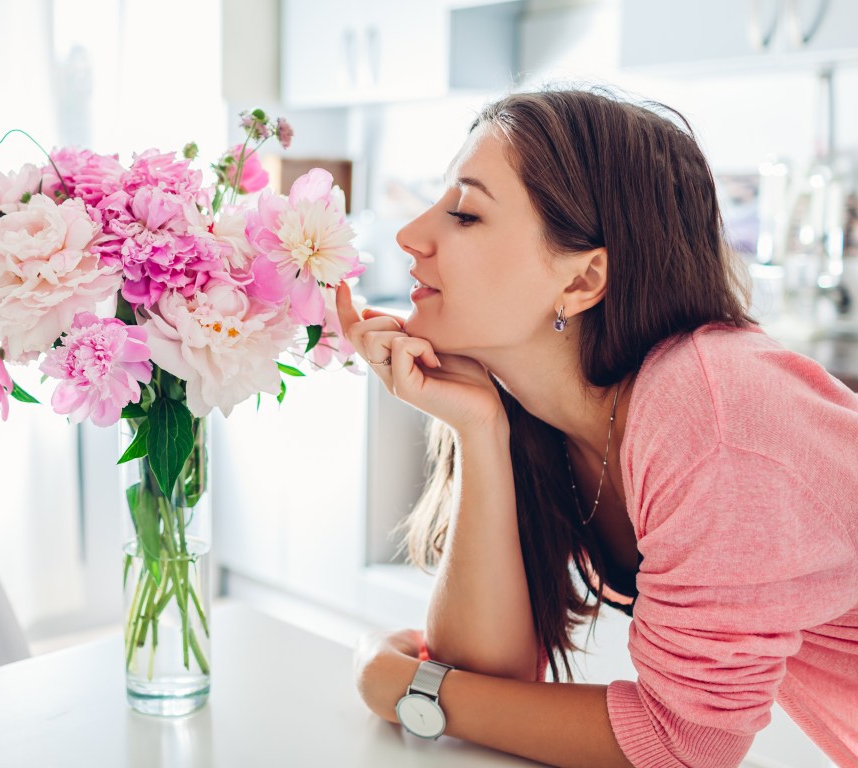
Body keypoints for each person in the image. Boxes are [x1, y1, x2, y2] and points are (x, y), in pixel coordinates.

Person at [336, 88, 858, 768]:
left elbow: (684, 745)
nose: (411, 236)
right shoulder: (552, 412)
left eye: (464, 213)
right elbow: (486, 672)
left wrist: (407, 687)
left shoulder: (712, 413)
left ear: (583, 281)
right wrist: (478, 430)